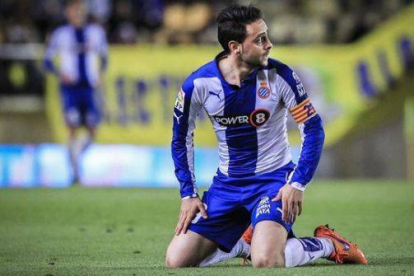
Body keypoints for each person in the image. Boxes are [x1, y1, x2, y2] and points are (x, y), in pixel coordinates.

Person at [166, 4, 367, 268]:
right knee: (176, 260)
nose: (269, 44)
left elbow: (314, 129)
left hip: (272, 183)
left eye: (267, 36)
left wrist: (296, 183)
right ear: (235, 46)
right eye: (260, 39)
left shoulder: (281, 75)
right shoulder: (198, 84)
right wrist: (188, 194)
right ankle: (244, 242)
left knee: (266, 260)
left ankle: (329, 244)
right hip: (226, 187)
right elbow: (181, 138)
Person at [44, 0, 108, 184]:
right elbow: (47, 61)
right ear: (67, 13)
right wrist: (60, 74)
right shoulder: (60, 34)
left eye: (80, 10)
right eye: (74, 10)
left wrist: (100, 75)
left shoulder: (96, 32)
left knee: (92, 128)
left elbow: (104, 58)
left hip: (89, 88)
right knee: (72, 127)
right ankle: (75, 171)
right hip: (70, 89)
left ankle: (75, 157)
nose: (77, 13)